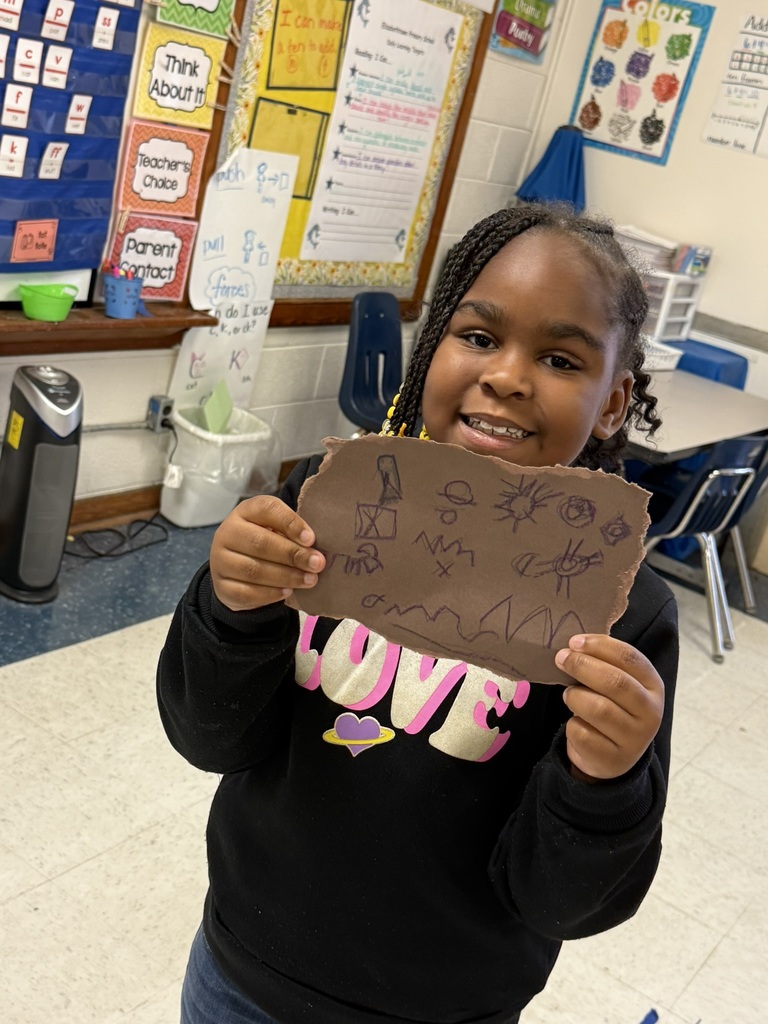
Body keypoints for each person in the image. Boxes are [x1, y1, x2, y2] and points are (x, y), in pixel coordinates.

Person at [157, 202, 679, 1024]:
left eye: (558, 357)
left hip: (448, 1005)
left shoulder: (621, 619)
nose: (507, 375)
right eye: (477, 337)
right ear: (429, 346)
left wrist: (605, 782)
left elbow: (566, 904)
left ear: (614, 405)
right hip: (245, 970)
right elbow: (209, 735)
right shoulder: (325, 514)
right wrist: (232, 610)